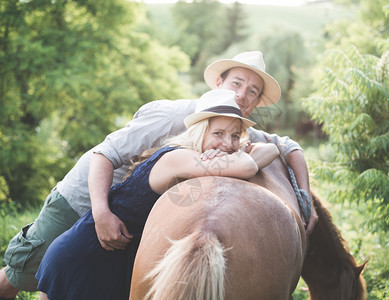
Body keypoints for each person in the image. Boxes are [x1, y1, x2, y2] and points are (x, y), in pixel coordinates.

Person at [0, 51, 316, 299]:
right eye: (237, 83)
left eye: (253, 91)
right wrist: (101, 213)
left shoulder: (229, 132)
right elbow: (103, 154)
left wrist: (304, 200)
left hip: (125, 237)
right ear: (218, 83)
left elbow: (284, 145)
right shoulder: (175, 123)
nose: (243, 95)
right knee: (17, 276)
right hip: (84, 202)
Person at [35, 89, 281, 300]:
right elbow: (248, 166)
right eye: (218, 133)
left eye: (235, 136)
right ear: (200, 132)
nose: (227, 143)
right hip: (87, 251)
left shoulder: (199, 158)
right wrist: (242, 157)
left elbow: (270, 148)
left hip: (120, 255)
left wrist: (239, 155)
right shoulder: (178, 157)